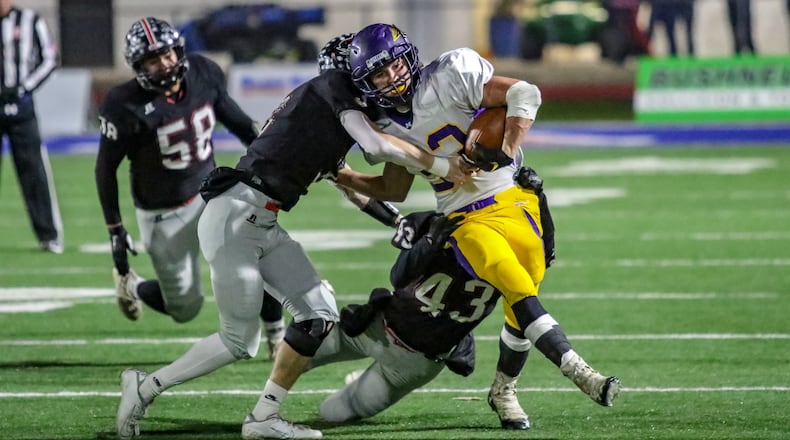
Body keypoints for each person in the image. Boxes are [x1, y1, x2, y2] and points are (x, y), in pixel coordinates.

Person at [114, 32, 471, 440]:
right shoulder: (333, 89)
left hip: (258, 221)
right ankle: (145, 387)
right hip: (236, 216)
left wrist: (397, 221)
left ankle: (264, 417)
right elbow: (374, 142)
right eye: (367, 74)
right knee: (239, 340)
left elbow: (357, 189)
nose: (376, 82)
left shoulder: (317, 126)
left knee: (319, 312)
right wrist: (444, 168)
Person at [344, 22, 620, 425]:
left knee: (520, 301)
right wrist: (341, 175)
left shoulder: (449, 74)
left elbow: (524, 93)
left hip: (515, 198)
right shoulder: (385, 125)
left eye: (394, 66)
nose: (392, 77)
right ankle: (578, 370)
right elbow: (393, 188)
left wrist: (506, 148)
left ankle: (503, 390)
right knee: (514, 283)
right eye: (379, 74)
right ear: (368, 83)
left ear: (409, 57)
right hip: (463, 217)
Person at [310, 167, 575, 429]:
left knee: (332, 413)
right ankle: (269, 406)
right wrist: (428, 241)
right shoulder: (436, 222)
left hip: (415, 364)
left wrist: (539, 198)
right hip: (375, 328)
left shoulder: (512, 244)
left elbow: (545, 252)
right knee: (299, 348)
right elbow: (398, 275)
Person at [94, 17, 286, 357]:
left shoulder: (203, 72)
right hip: (162, 212)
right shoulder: (123, 104)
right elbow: (105, 168)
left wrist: (275, 161)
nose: (163, 64)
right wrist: (115, 228)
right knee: (185, 308)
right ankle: (134, 287)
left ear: (178, 51)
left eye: (167, 54)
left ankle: (276, 334)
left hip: (212, 193)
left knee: (256, 253)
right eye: (152, 60)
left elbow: (241, 124)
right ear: (139, 67)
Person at [0, 0, 62, 253]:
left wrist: (24, 87)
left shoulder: (30, 20)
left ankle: (49, 235)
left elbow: (49, 59)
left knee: (34, 172)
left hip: (21, 108)